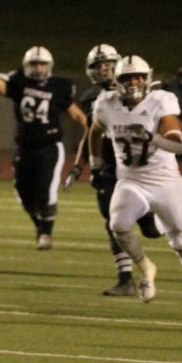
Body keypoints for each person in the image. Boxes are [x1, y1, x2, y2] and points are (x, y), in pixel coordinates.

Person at [88, 55, 182, 316]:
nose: (133, 82)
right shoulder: (106, 104)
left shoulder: (161, 101)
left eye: (138, 77)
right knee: (118, 224)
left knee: (180, 240)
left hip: (165, 181)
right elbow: (95, 131)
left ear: (147, 79)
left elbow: (177, 144)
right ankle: (146, 267)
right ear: (117, 81)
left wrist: (153, 138)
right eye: (126, 78)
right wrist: (95, 162)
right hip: (131, 179)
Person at [0, 39, 88, 249]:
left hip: (50, 146)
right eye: (34, 64)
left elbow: (75, 113)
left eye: (42, 64)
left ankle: (46, 234)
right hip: (24, 146)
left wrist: (93, 129)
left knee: (46, 190)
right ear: (27, 65)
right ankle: (40, 226)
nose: (38, 68)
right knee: (24, 194)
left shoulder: (59, 86)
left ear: (48, 65)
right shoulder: (19, 82)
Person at [65, 44, 164, 296]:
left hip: (136, 167)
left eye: (108, 64)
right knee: (113, 222)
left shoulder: (141, 91)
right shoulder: (92, 98)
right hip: (109, 169)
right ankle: (125, 278)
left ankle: (163, 217)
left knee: (151, 231)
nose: (104, 69)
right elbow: (90, 134)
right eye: (99, 66)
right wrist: (80, 167)